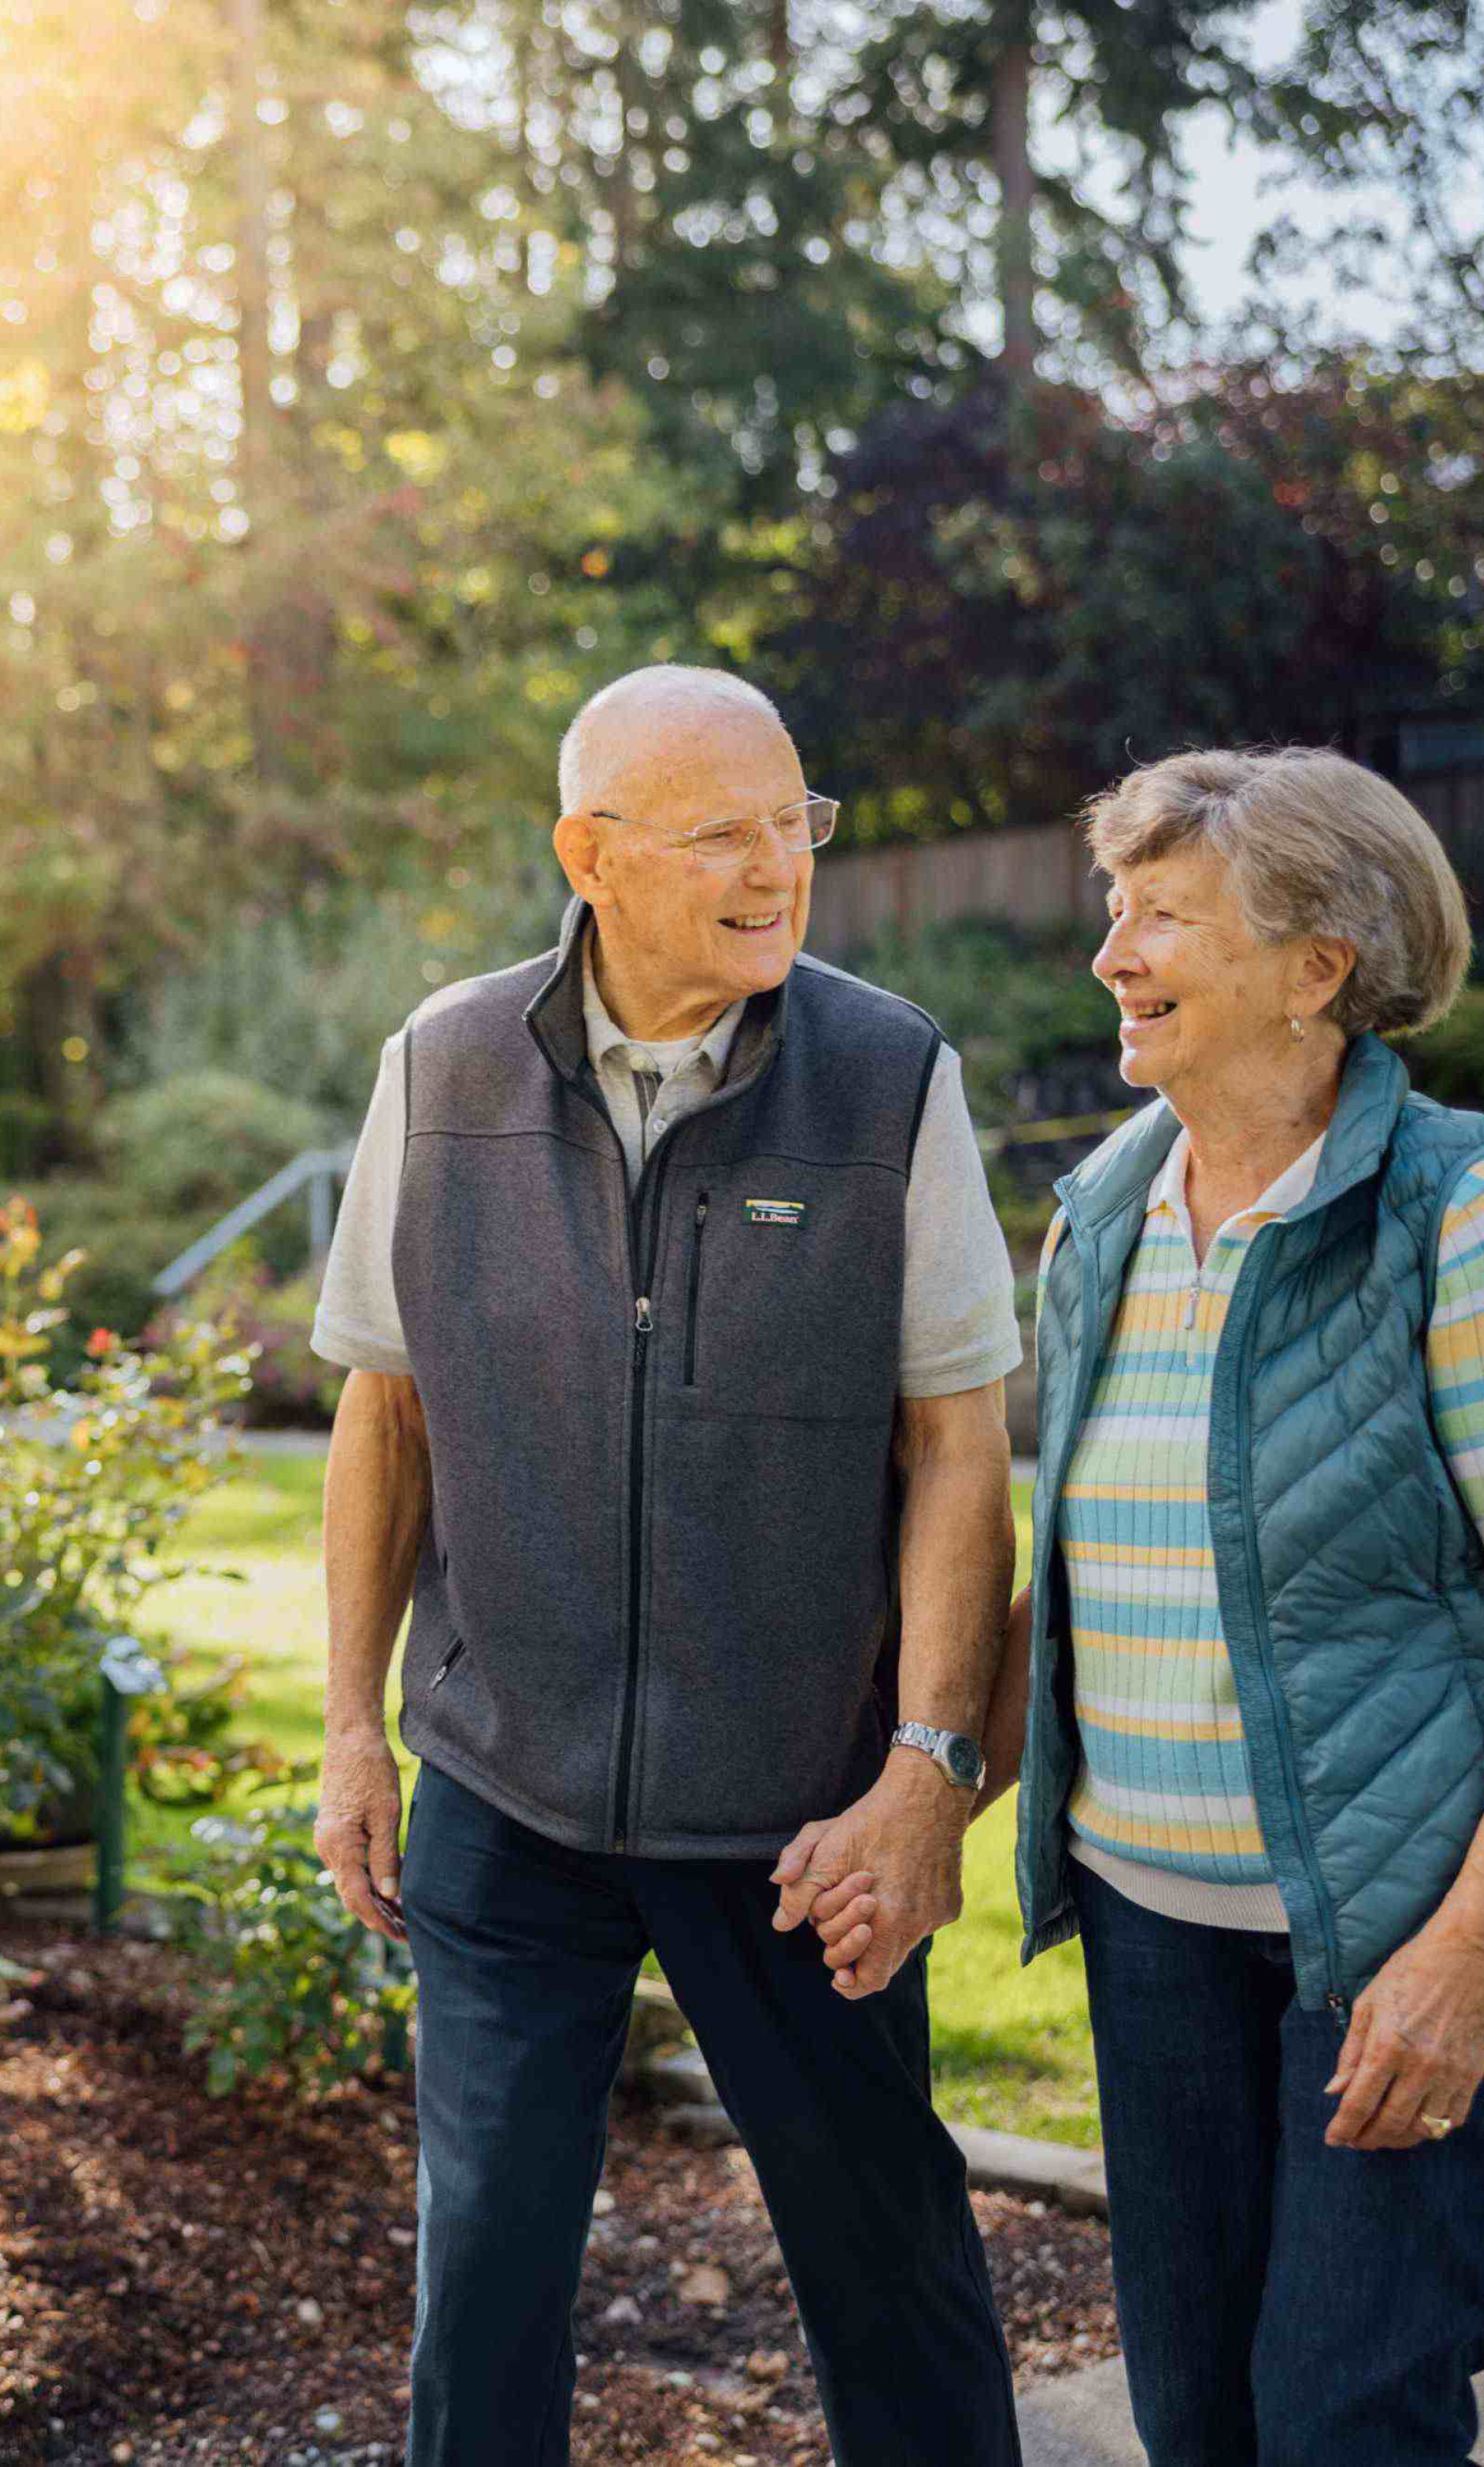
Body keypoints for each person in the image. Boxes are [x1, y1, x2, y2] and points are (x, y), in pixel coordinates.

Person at [308, 663, 1027, 2466]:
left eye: (799, 824)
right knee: (479, 2285)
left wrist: (924, 1772)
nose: (777, 866)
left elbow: (957, 1443)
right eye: (723, 832)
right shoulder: (443, 1064)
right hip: (500, 1782)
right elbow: (380, 1416)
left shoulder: (887, 1078)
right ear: (589, 852)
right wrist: (345, 1729)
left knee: (887, 2267)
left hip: (795, 1823)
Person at [957, 748, 1484, 2466]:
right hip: (1145, 1929)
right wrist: (916, 1786)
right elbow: (1091, 1574)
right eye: (1113, 908)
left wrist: (1464, 1959)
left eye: (1161, 916)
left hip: (1389, 1938)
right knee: (1191, 2411)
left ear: (1315, 967)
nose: (1109, 952)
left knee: (1344, 2416)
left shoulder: (1452, 1209)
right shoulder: (1100, 1212)